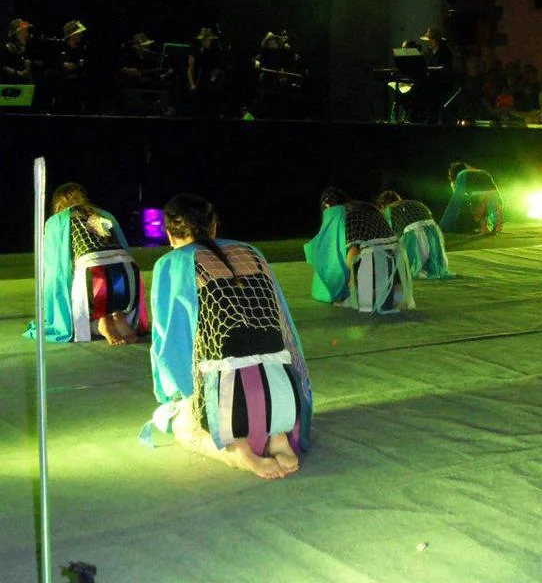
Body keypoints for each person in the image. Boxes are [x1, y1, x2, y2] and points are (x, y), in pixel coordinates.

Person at [147, 194, 313, 479]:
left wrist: (174, 395)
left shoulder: (172, 263)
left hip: (230, 402)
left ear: (170, 234)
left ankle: (239, 453)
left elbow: (170, 341)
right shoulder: (250, 252)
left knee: (180, 425)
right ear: (213, 226)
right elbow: (283, 323)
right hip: (282, 395)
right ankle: (279, 439)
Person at [25, 183, 148, 344]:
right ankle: (116, 315)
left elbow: (56, 270)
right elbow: (120, 246)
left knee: (73, 318)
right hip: (128, 273)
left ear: (58, 204)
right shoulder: (102, 215)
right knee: (107, 283)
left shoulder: (57, 220)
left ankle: (100, 323)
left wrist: (55, 307)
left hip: (93, 275)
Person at [304, 187, 415, 313]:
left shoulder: (347, 215)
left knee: (363, 296)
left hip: (375, 258)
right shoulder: (367, 208)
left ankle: (362, 297)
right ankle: (396, 298)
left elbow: (353, 252)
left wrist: (350, 280)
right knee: (393, 289)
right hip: (398, 258)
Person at [376, 190, 452, 279]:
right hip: (433, 234)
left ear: (382, 205)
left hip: (414, 235)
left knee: (404, 265)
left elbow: (392, 236)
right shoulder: (413, 203)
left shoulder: (390, 209)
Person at [438, 162, 504, 235]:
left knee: (481, 205)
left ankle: (485, 225)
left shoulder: (461, 177)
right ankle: (486, 226)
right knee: (491, 203)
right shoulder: (478, 175)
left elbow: (457, 200)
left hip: (482, 192)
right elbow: (496, 199)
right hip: (485, 189)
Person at [187, 27, 225, 118]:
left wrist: (214, 76)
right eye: (204, 40)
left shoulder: (215, 51)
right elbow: (190, 68)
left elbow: (219, 67)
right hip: (199, 80)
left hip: (210, 83)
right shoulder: (196, 50)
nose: (205, 42)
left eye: (207, 40)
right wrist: (192, 84)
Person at [58, 20, 91, 114]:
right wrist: (63, 64)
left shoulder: (82, 49)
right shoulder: (60, 47)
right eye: (78, 33)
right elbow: (55, 63)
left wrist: (77, 65)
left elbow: (86, 62)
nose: (80, 35)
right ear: (72, 35)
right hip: (63, 85)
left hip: (79, 84)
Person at [1, 18, 33, 84]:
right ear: (14, 36)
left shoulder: (24, 51)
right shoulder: (4, 50)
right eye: (22, 32)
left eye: (26, 31)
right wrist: (18, 73)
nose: (26, 35)